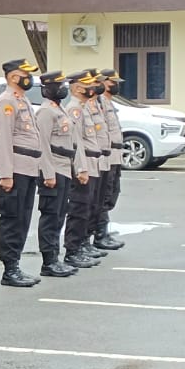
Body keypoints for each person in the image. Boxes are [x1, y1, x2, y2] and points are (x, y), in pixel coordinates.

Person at [0, 57, 50, 288]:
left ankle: (15, 264)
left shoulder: (22, 100)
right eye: (26, 74)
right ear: (14, 76)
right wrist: (5, 174)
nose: (30, 78)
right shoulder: (6, 102)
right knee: (12, 220)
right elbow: (3, 139)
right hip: (14, 169)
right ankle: (9, 269)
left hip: (27, 168)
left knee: (23, 219)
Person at [34, 71, 87, 278]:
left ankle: (55, 258)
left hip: (64, 168)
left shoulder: (60, 109)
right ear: (48, 89)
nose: (63, 89)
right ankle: (48, 261)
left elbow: (72, 142)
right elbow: (43, 145)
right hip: (53, 169)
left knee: (59, 216)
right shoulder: (45, 112)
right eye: (58, 85)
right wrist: (48, 173)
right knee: (50, 216)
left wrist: (77, 167)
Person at [63, 69, 106, 269]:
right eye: (88, 85)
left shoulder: (84, 107)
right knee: (78, 209)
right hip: (84, 164)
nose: (92, 88)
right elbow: (76, 141)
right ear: (78, 88)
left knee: (88, 207)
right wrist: (80, 168)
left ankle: (81, 245)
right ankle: (73, 250)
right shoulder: (74, 109)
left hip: (92, 163)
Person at [93, 68, 127, 251]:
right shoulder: (99, 103)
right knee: (104, 197)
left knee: (112, 194)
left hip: (115, 155)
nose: (115, 86)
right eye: (112, 82)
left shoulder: (108, 102)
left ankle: (102, 231)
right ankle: (100, 234)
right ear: (103, 82)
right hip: (106, 156)